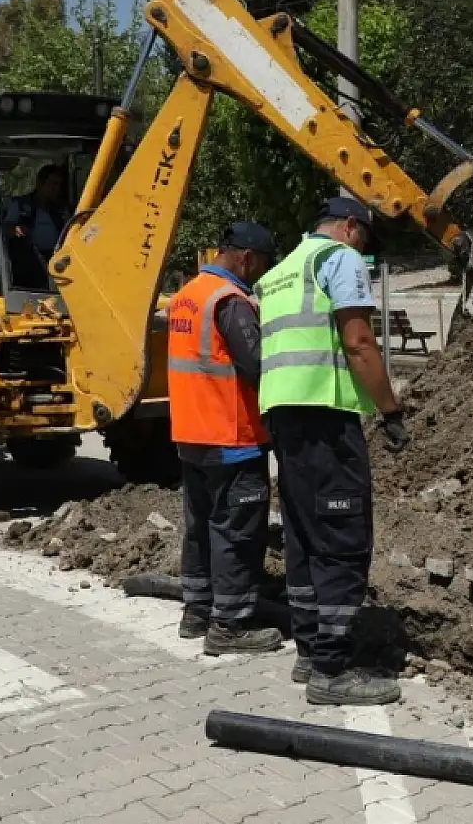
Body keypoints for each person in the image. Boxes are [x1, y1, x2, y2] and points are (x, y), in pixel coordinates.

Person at [257, 197, 411, 706]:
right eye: (363, 238)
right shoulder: (338, 258)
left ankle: (309, 650)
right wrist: (389, 410)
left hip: (285, 417)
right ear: (349, 227)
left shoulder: (280, 271)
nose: (362, 249)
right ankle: (331, 669)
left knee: (304, 536)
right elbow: (359, 340)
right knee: (342, 538)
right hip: (325, 415)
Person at [165, 221, 286, 656]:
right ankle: (230, 626)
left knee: (200, 528)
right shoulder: (230, 301)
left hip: (192, 435)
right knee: (237, 531)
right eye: (262, 265)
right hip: (231, 437)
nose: (260, 274)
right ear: (246, 258)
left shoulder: (187, 295)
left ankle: (197, 611)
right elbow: (257, 366)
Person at [5, 164, 70, 259]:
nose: (57, 189)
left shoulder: (62, 209)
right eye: (54, 184)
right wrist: (17, 230)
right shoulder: (20, 205)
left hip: (56, 258)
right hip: (27, 258)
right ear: (40, 184)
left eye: (60, 185)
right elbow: (6, 229)